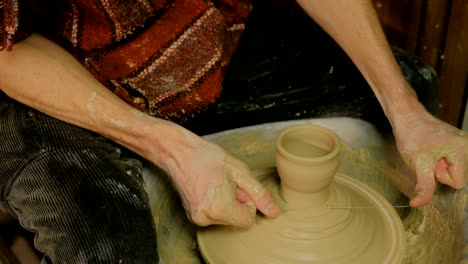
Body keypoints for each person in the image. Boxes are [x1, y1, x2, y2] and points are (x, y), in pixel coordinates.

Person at [0, 0, 466, 263]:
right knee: (106, 251)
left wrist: (403, 108)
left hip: (197, 23)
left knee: (414, 88)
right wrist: (170, 148)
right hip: (49, 69)